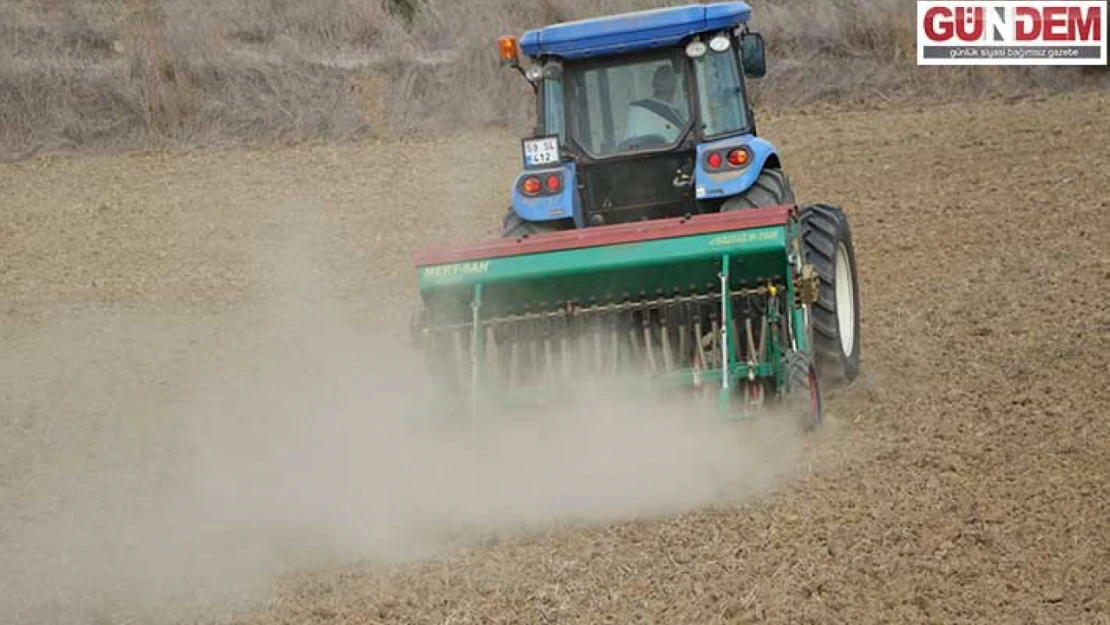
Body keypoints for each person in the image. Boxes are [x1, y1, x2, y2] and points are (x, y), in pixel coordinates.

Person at [625, 65, 687, 144]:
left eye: (666, 77)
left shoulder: (677, 111)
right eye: (662, 77)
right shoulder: (639, 110)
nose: (661, 80)